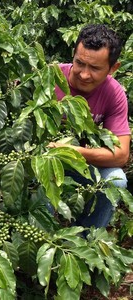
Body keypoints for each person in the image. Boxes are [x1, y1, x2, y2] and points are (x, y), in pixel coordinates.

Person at [49, 24, 131, 231]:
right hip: (42, 162)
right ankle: (40, 241)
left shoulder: (114, 94)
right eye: (80, 63)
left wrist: (70, 152)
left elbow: (121, 155)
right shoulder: (50, 79)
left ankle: (86, 241)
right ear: (73, 55)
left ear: (113, 68)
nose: (84, 75)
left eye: (95, 68)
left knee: (116, 180)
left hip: (79, 164)